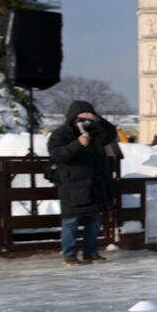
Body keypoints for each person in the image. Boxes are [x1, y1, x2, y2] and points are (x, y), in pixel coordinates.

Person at [46, 100, 117, 265]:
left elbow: (110, 135)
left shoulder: (96, 132)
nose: (85, 121)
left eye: (89, 117)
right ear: (72, 118)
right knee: (71, 221)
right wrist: (78, 144)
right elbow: (57, 155)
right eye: (81, 118)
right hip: (72, 185)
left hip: (95, 183)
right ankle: (69, 255)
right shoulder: (61, 133)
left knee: (94, 219)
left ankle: (90, 252)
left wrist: (98, 120)